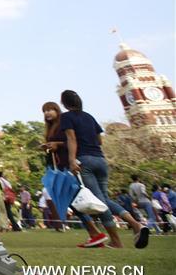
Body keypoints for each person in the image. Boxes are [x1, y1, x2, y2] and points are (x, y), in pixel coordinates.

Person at [60, 89, 149, 248]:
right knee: (105, 199)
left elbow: (71, 138)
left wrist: (72, 159)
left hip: (84, 160)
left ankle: (124, 235)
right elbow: (99, 140)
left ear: (64, 103)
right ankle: (134, 226)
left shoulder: (66, 117)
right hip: (100, 160)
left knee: (100, 202)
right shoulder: (89, 117)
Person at [41, 101, 109, 246]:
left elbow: (73, 142)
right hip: (58, 167)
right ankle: (94, 234)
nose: (47, 113)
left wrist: (57, 144)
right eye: (45, 111)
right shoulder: (50, 129)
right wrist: (47, 147)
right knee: (72, 201)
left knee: (78, 199)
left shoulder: (63, 124)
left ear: (57, 110)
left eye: (50, 110)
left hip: (70, 166)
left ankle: (98, 232)